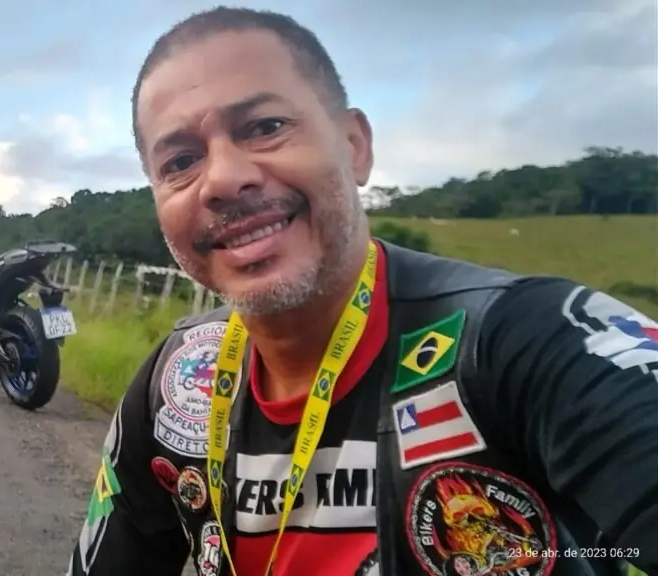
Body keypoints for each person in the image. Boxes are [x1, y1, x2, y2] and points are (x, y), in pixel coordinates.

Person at [66, 6, 658, 576]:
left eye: (266, 127)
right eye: (180, 161)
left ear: (355, 146)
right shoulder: (177, 380)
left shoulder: (522, 336)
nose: (222, 179)